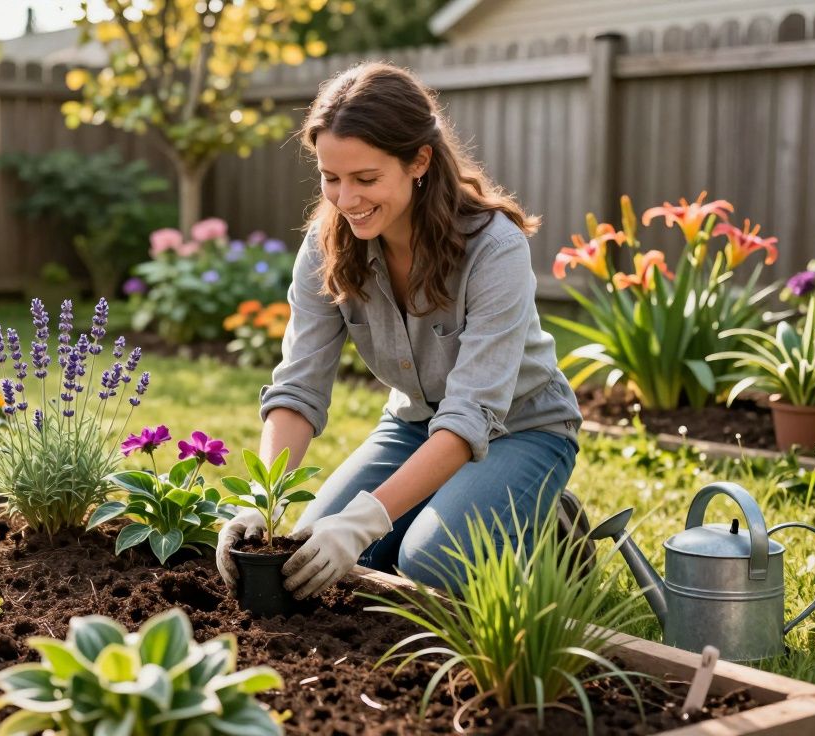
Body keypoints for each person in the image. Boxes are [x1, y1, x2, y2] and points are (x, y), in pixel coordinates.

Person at [215, 62, 584, 601]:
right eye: (330, 177)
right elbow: (297, 389)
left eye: (366, 179)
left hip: (523, 428)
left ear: (419, 161)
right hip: (414, 426)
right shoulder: (328, 245)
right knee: (312, 552)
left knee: (430, 561)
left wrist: (367, 518)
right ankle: (451, 508)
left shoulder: (493, 247)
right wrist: (260, 499)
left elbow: (469, 415)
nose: (345, 200)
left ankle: (551, 530)